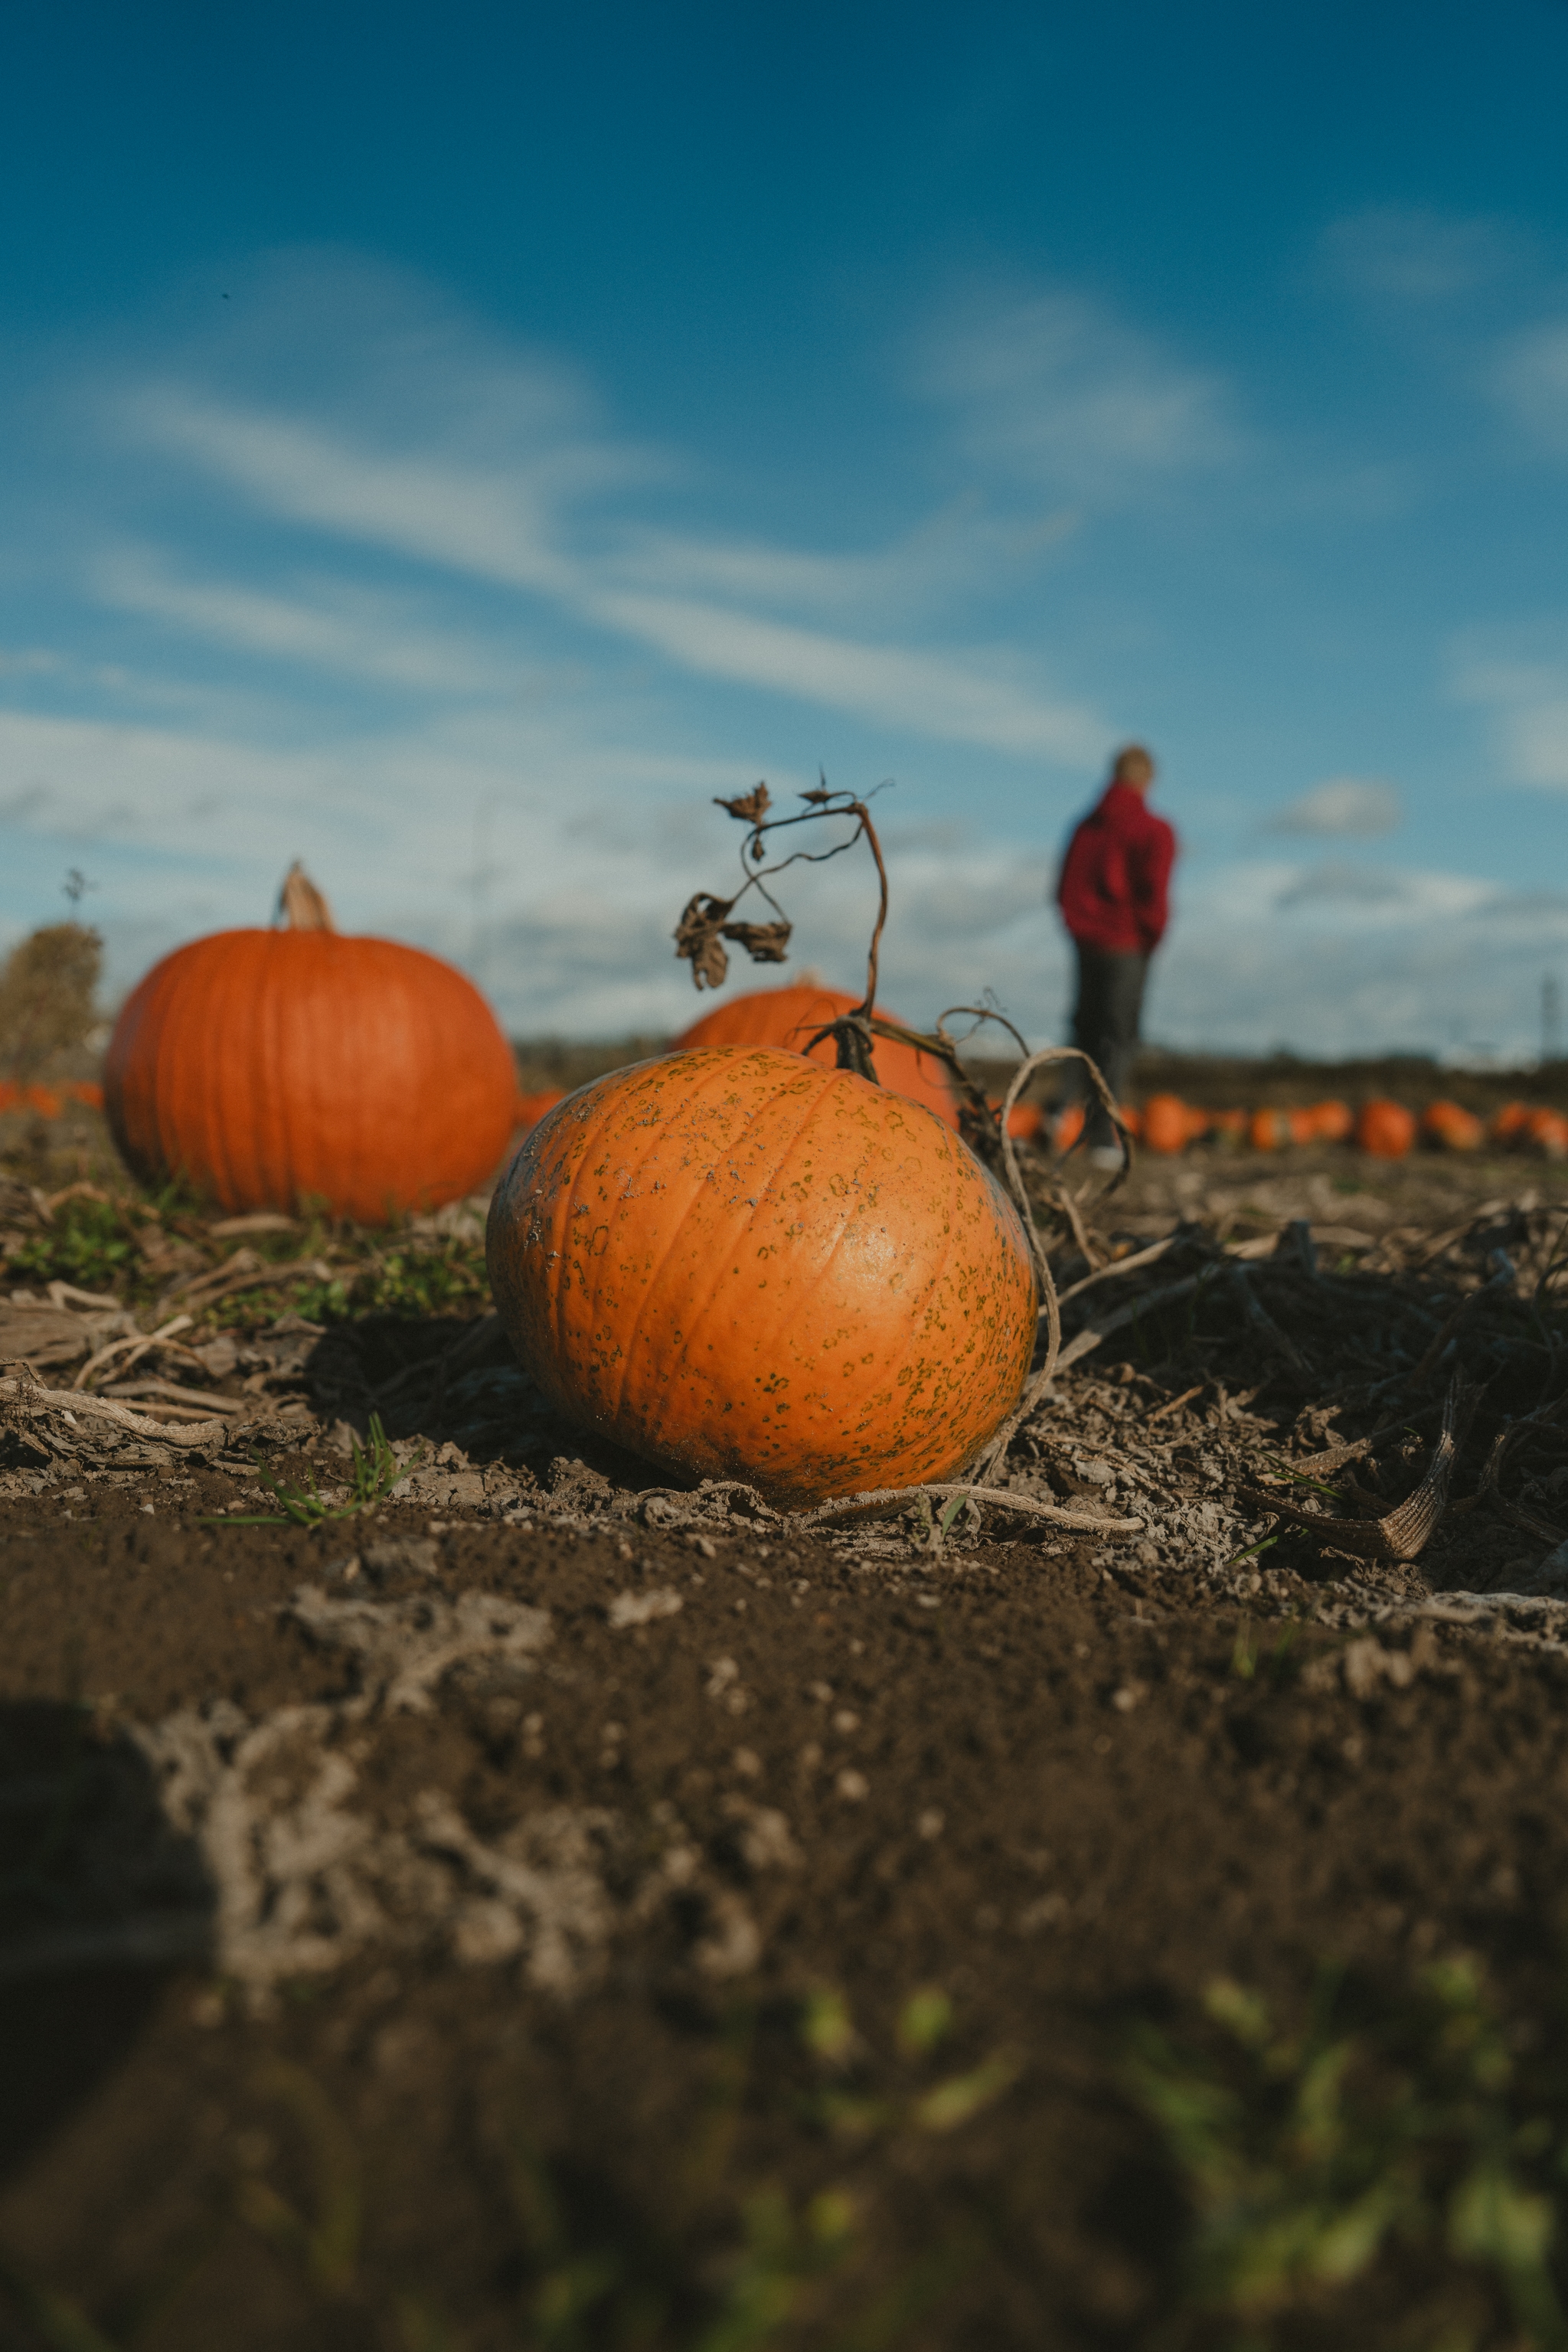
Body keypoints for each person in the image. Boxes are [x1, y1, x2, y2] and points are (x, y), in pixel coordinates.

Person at [1054, 743, 1177, 1168]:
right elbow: (1155, 894)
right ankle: (1103, 1134)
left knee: (1084, 1024)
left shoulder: (1084, 828)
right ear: (1147, 779)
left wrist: (1077, 925)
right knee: (1118, 1035)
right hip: (1126, 945)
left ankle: (1062, 1113)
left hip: (1086, 940)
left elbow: (1065, 886)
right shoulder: (1154, 829)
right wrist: (1149, 936)